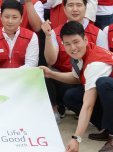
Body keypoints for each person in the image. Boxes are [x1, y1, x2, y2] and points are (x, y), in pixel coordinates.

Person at [41, 21, 113, 152]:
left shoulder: (95, 63)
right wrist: (51, 74)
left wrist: (76, 138)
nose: (72, 47)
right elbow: (76, 78)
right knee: (71, 97)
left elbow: (88, 105)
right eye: (67, 44)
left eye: (76, 42)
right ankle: (109, 129)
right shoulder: (84, 54)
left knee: (103, 84)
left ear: (85, 39)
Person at [42, 0, 107, 124]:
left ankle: (90, 113)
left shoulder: (98, 33)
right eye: (70, 5)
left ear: (86, 7)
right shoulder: (55, 32)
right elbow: (51, 60)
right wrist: (48, 36)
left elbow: (104, 66)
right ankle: (55, 110)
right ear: (64, 8)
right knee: (47, 73)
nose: (75, 9)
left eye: (79, 5)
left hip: (88, 81)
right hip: (66, 79)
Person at [0, 0, 39, 69]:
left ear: (21, 19)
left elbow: (31, 64)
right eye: (7, 17)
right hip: (0, 78)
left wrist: (12, 75)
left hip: (23, 77)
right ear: (1, 17)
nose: (10, 21)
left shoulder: (31, 36)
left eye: (14, 17)